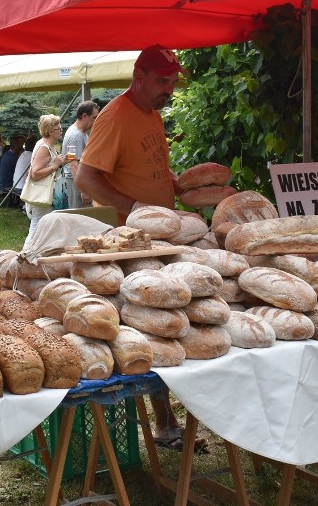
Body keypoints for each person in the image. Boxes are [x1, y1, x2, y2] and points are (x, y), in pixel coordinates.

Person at [75, 44, 205, 453]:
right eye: (162, 81)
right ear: (140, 76)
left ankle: (167, 420)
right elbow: (86, 178)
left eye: (173, 82)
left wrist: (173, 182)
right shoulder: (116, 115)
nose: (169, 89)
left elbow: (147, 164)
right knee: (147, 325)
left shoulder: (149, 114)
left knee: (166, 321)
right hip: (128, 246)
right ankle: (164, 423)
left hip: (158, 239)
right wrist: (135, 211)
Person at [22, 114, 65, 249]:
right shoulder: (44, 148)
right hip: (41, 194)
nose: (61, 130)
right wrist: (55, 165)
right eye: (59, 128)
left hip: (47, 194)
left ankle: (33, 256)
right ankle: (24, 256)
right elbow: (34, 174)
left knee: (43, 228)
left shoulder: (46, 145)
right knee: (36, 227)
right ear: (51, 132)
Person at [62, 100, 100, 208]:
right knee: (78, 218)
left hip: (78, 182)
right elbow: (73, 164)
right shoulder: (76, 136)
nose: (96, 121)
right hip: (76, 183)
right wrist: (83, 190)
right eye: (94, 117)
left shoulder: (80, 133)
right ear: (84, 116)